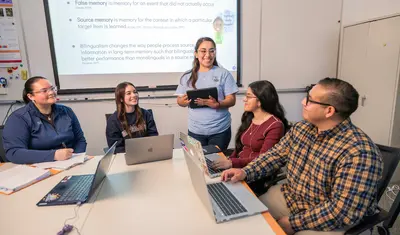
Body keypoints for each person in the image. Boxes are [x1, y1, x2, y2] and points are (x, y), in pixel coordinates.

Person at [221, 78, 383, 235]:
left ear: (329, 111)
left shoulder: (359, 152)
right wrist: (246, 172)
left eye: (309, 100)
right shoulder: (302, 129)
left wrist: (293, 223)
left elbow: (341, 211)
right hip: (292, 196)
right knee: (247, 219)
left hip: (327, 216)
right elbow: (274, 156)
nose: (303, 102)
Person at [3, 76, 87, 164]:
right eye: (44, 91)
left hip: (69, 163)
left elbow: (80, 140)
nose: (51, 92)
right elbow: (14, 153)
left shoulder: (66, 111)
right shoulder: (19, 118)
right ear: (31, 96)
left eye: (52, 88)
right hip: (37, 167)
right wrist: (53, 155)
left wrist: (76, 158)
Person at [176, 37, 238, 151]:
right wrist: (183, 102)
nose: (208, 55)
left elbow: (232, 100)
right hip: (195, 131)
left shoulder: (224, 74)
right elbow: (179, 100)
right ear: (196, 54)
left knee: (215, 164)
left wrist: (218, 104)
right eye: (203, 51)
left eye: (212, 51)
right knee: (198, 165)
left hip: (219, 130)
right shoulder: (187, 76)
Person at [212, 80, 288, 170]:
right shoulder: (249, 117)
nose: (244, 99)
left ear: (260, 101)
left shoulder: (275, 125)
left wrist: (232, 163)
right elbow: (239, 148)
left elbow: (263, 160)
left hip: (253, 171)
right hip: (238, 167)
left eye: (248, 96)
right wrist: (229, 160)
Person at [106, 82, 158, 153]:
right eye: (128, 93)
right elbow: (116, 148)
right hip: (126, 157)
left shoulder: (146, 114)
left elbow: (154, 137)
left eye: (135, 92)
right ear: (121, 99)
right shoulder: (113, 121)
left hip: (147, 153)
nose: (134, 95)